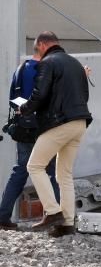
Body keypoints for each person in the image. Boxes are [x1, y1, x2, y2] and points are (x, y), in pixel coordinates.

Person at [19, 32, 92, 237]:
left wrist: (24, 108)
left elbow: (39, 94)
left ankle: (52, 212)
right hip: (79, 122)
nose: (37, 53)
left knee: (34, 166)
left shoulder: (47, 63)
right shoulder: (76, 64)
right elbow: (84, 95)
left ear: (42, 45)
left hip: (60, 123)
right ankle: (67, 223)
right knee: (64, 175)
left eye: (37, 49)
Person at [0, 54, 60, 231]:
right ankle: (55, 217)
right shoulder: (47, 69)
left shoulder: (19, 70)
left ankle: (3, 216)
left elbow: (13, 99)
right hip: (43, 128)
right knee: (52, 171)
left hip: (23, 128)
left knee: (20, 170)